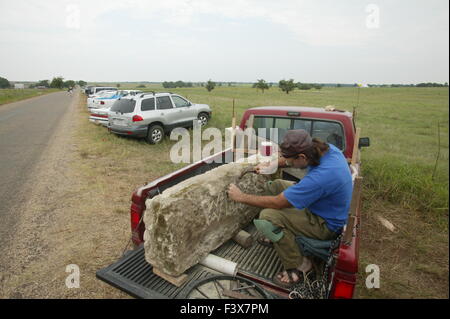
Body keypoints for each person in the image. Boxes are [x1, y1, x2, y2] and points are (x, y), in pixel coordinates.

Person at [227, 129, 353, 288]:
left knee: (267, 217)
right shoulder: (326, 150)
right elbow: (290, 162)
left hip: (325, 223)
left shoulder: (321, 177)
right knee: (277, 185)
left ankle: (300, 265)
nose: (288, 162)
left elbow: (278, 203)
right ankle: (281, 237)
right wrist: (273, 164)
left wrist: (241, 197)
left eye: (290, 160)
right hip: (322, 204)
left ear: (302, 157)